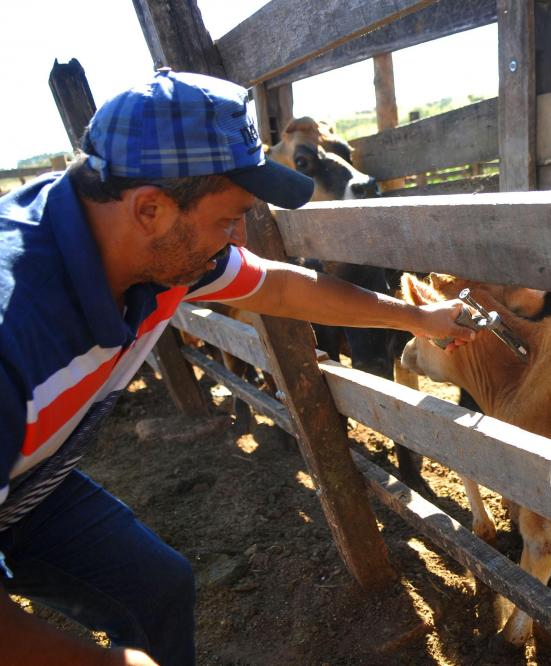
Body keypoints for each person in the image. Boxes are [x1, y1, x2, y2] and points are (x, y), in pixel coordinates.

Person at [0, 68, 474, 665]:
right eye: (230, 218)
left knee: (158, 588)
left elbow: (277, 287)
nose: (239, 236)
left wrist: (416, 318)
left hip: (31, 486)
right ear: (150, 209)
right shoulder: (14, 333)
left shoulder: (154, 245)